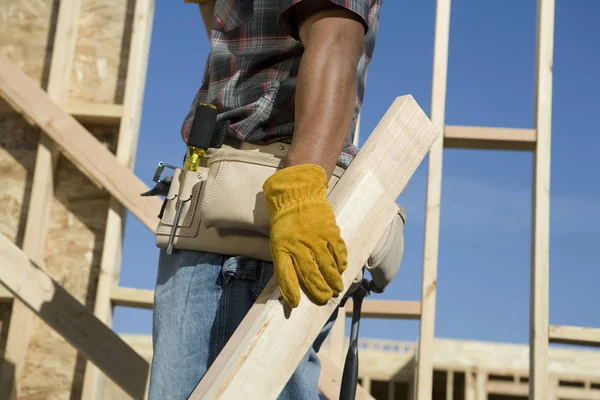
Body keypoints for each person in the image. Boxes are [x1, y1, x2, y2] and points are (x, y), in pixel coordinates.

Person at [148, 0, 383, 398]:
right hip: (217, 203)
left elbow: (337, 34)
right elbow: (235, 50)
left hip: (255, 217)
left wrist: (299, 189)